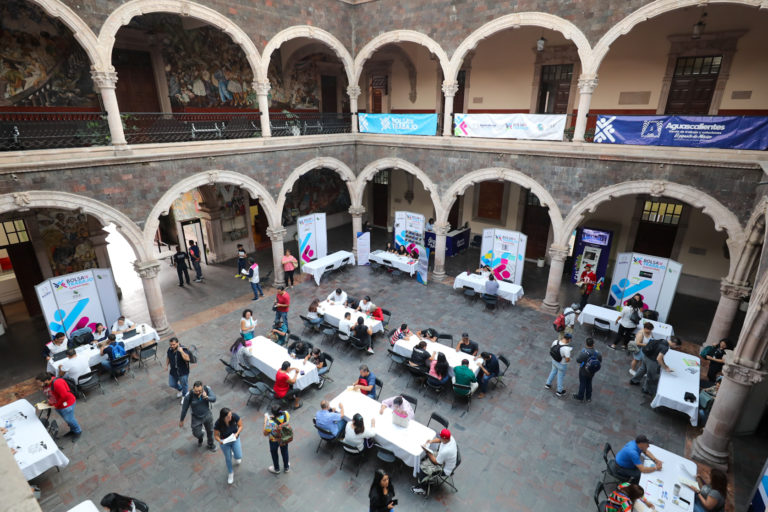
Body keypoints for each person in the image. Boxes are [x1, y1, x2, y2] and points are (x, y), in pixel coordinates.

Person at [411, 428, 458, 495]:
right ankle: (424, 480)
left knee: (422, 468)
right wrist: (431, 441)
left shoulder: (446, 451)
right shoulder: (450, 438)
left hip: (444, 468)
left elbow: (436, 462)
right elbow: (440, 440)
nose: (440, 438)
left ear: (445, 439)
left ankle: (422, 488)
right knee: (426, 457)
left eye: (441, 437)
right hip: (443, 459)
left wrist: (427, 451)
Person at [36, 372, 82, 440]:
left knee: (70, 420)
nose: (38, 384)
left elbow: (64, 396)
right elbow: (50, 393)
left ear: (46, 380)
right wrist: (50, 401)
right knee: (67, 419)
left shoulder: (57, 383)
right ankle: (73, 430)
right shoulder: (45, 385)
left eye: (39, 383)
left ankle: (78, 431)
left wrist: (56, 405)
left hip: (66, 405)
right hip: (58, 406)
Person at [179, 381, 217, 452]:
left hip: (207, 414)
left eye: (200, 390)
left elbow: (214, 398)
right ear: (193, 389)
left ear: (202, 388)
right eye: (196, 391)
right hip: (196, 418)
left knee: (210, 431)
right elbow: (184, 409)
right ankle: (200, 436)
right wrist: (181, 420)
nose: (198, 392)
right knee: (196, 433)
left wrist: (207, 397)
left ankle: (210, 444)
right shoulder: (189, 396)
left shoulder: (206, 389)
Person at [213, 407, 243, 484]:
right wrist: (220, 441)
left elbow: (240, 426)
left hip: (235, 439)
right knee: (228, 458)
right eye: (228, 416)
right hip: (225, 442)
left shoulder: (234, 417)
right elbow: (216, 435)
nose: (230, 417)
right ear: (223, 417)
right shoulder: (218, 423)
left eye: (230, 415)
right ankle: (230, 473)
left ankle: (235, 454)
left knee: (239, 456)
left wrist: (236, 434)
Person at [263, 404, 292, 474]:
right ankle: (286, 467)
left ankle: (276, 468)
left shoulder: (270, 422)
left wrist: (265, 421)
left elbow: (265, 433)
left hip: (274, 440)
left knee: (274, 453)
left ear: (273, 413)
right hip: (284, 437)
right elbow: (282, 418)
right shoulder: (286, 414)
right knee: (284, 451)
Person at [573, 337, 602, 402]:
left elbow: (578, 360)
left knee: (582, 383)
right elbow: (600, 361)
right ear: (593, 344)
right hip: (592, 371)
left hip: (584, 370)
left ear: (586, 344)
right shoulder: (597, 353)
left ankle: (580, 396)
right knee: (589, 383)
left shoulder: (584, 352)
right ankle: (588, 397)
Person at [545, 333, 572, 398]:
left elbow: (551, 348)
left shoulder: (555, 341)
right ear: (569, 339)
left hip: (554, 361)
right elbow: (567, 359)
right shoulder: (566, 349)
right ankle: (559, 391)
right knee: (560, 377)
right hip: (561, 364)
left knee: (553, 371)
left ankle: (548, 384)